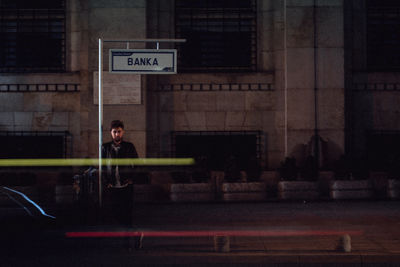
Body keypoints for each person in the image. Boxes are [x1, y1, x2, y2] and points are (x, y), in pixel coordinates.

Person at [101, 120, 138, 226]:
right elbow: (102, 166)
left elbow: (137, 164)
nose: (117, 134)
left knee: (126, 208)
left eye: (119, 131)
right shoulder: (105, 147)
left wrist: (132, 179)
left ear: (123, 132)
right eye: (115, 131)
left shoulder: (129, 146)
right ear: (111, 132)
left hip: (126, 183)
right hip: (112, 184)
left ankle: (127, 229)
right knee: (113, 208)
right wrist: (106, 181)